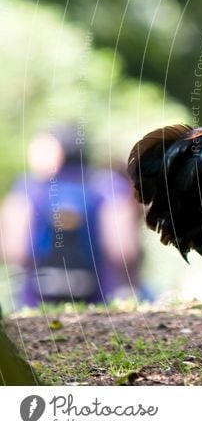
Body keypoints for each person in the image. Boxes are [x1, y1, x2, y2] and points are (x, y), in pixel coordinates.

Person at [0, 126, 143, 307]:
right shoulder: (107, 186)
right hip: (99, 300)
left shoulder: (27, 188)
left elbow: (14, 250)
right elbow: (123, 250)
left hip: (36, 301)